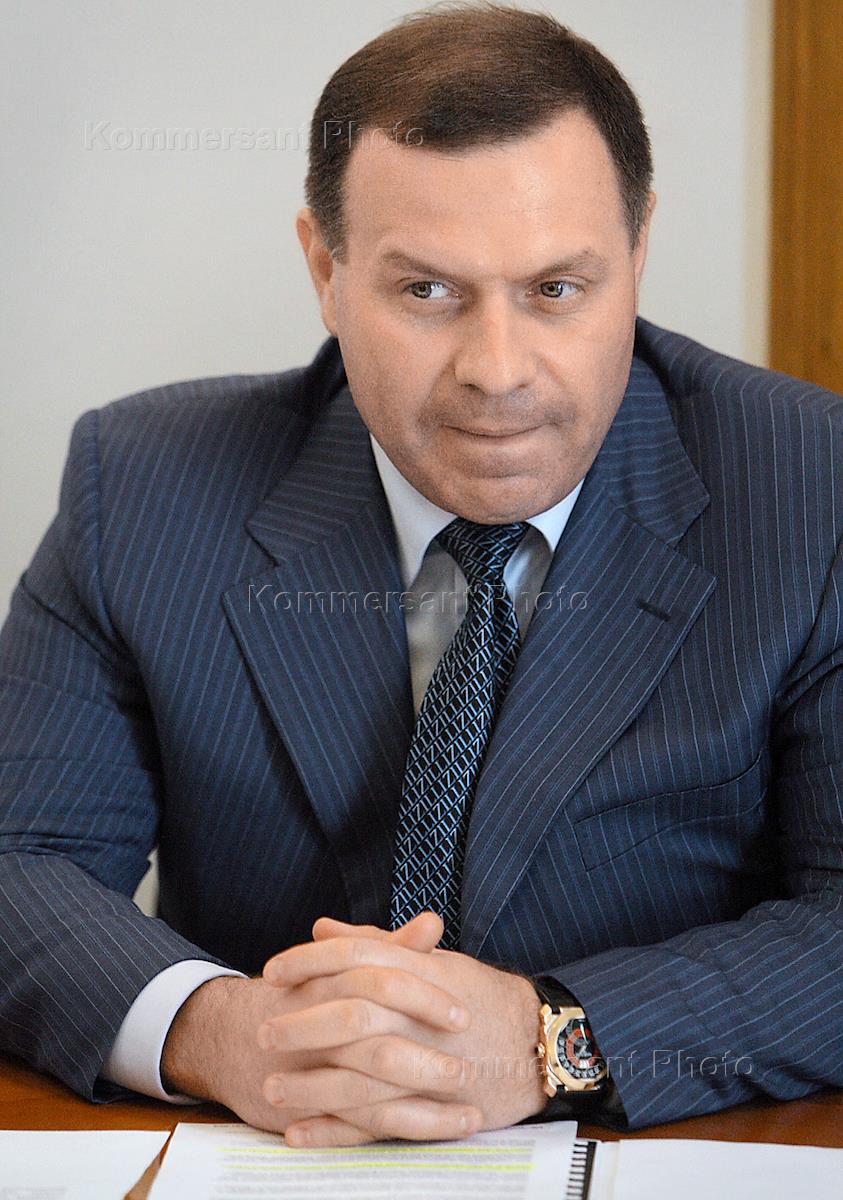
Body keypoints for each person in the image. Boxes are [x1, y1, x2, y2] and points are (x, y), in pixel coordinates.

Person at [1, 1, 841, 1151]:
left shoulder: (809, 486)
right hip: (280, 1155)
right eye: (427, 292)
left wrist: (552, 1038)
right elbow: (20, 863)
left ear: (639, 249)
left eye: (556, 290)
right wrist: (225, 1030)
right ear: (325, 268)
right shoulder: (142, 485)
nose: (497, 371)